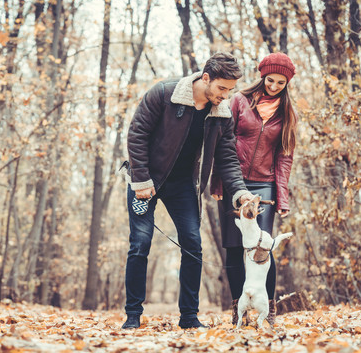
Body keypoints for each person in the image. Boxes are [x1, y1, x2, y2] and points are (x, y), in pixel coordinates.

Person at [121, 53, 255, 329]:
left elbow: (227, 157)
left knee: (193, 244)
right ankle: (133, 316)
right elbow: (137, 134)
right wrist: (143, 180)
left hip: (183, 184)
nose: (225, 96)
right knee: (140, 244)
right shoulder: (164, 93)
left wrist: (239, 191)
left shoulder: (221, 114)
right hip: (145, 181)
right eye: (221, 88)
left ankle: (189, 317)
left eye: (230, 90)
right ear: (205, 78)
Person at [210, 52, 297, 327]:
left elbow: (285, 156)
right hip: (233, 182)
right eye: (270, 80)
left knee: (262, 248)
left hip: (265, 185)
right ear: (263, 76)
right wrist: (218, 181)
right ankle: (239, 309)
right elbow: (223, 144)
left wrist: (281, 195)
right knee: (235, 247)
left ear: (287, 83)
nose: (273, 86)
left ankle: (267, 309)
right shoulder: (239, 101)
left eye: (280, 83)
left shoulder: (287, 113)